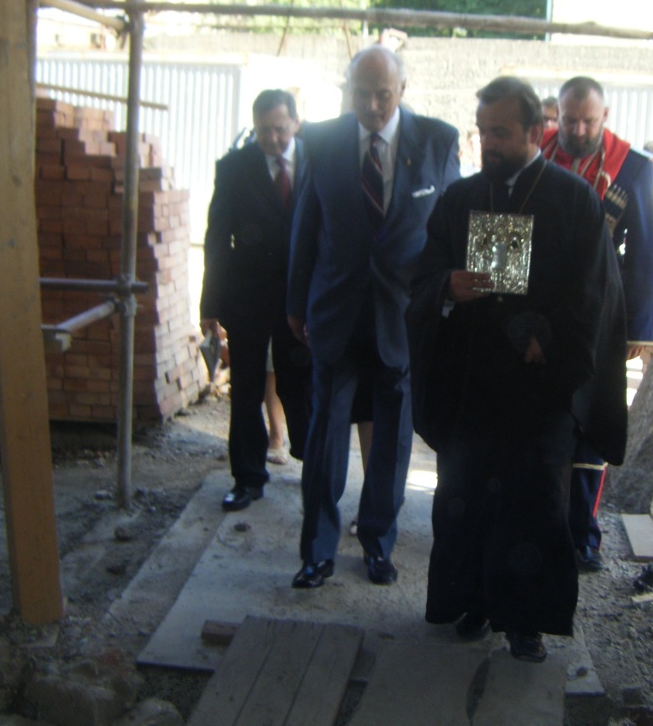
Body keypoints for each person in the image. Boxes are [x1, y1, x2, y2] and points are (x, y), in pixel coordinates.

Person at [407, 76, 627, 663]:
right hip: (472, 384)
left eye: (500, 132)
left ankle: (525, 621)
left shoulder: (574, 201)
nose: (488, 143)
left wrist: (545, 338)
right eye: (483, 132)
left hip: (540, 391)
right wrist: (447, 287)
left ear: (535, 130)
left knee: (534, 506)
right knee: (466, 497)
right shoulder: (459, 199)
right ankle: (473, 602)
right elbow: (422, 279)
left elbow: (594, 296)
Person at [287, 45, 461, 589]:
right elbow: (305, 227)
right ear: (349, 91)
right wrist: (294, 304)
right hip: (335, 312)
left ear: (402, 91)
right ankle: (317, 551)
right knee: (324, 437)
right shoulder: (320, 140)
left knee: (392, 440)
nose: (372, 105)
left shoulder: (437, 141)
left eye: (383, 94)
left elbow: (450, 228)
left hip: (403, 318)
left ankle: (378, 543)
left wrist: (446, 307)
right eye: (361, 94)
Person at [541, 76, 653, 571]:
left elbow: (647, 251)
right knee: (541, 420)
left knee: (591, 423)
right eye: (570, 120)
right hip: (539, 314)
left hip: (601, 317)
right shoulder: (536, 153)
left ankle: (583, 535)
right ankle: (539, 527)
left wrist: (638, 328)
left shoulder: (632, 167)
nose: (578, 130)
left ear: (604, 117)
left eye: (588, 121)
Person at [200, 89, 311, 512]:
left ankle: (312, 467)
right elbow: (216, 238)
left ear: (295, 122)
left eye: (280, 129)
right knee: (246, 388)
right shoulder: (234, 167)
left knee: (301, 383)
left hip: (301, 296)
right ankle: (247, 477)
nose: (273, 138)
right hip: (247, 299)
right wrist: (210, 306)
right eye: (264, 130)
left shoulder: (319, 160)